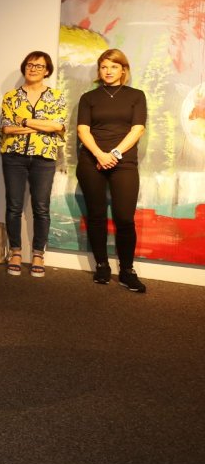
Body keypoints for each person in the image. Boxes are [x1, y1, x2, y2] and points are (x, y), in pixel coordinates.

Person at [75, 48, 147, 292]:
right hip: (92, 160)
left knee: (124, 218)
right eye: (104, 66)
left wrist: (113, 155)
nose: (108, 71)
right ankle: (102, 266)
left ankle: (127, 271)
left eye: (114, 66)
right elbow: (83, 130)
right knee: (96, 216)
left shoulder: (136, 95)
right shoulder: (88, 98)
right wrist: (99, 154)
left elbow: (137, 129)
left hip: (123, 162)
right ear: (99, 70)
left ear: (123, 70)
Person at [0, 51, 67, 277]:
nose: (33, 69)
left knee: (41, 207)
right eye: (30, 64)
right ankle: (16, 252)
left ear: (47, 71)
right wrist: (42, 125)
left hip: (44, 156)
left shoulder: (56, 96)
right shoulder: (11, 96)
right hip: (14, 156)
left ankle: (38, 254)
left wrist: (25, 121)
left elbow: (57, 126)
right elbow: (7, 128)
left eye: (39, 66)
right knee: (14, 206)